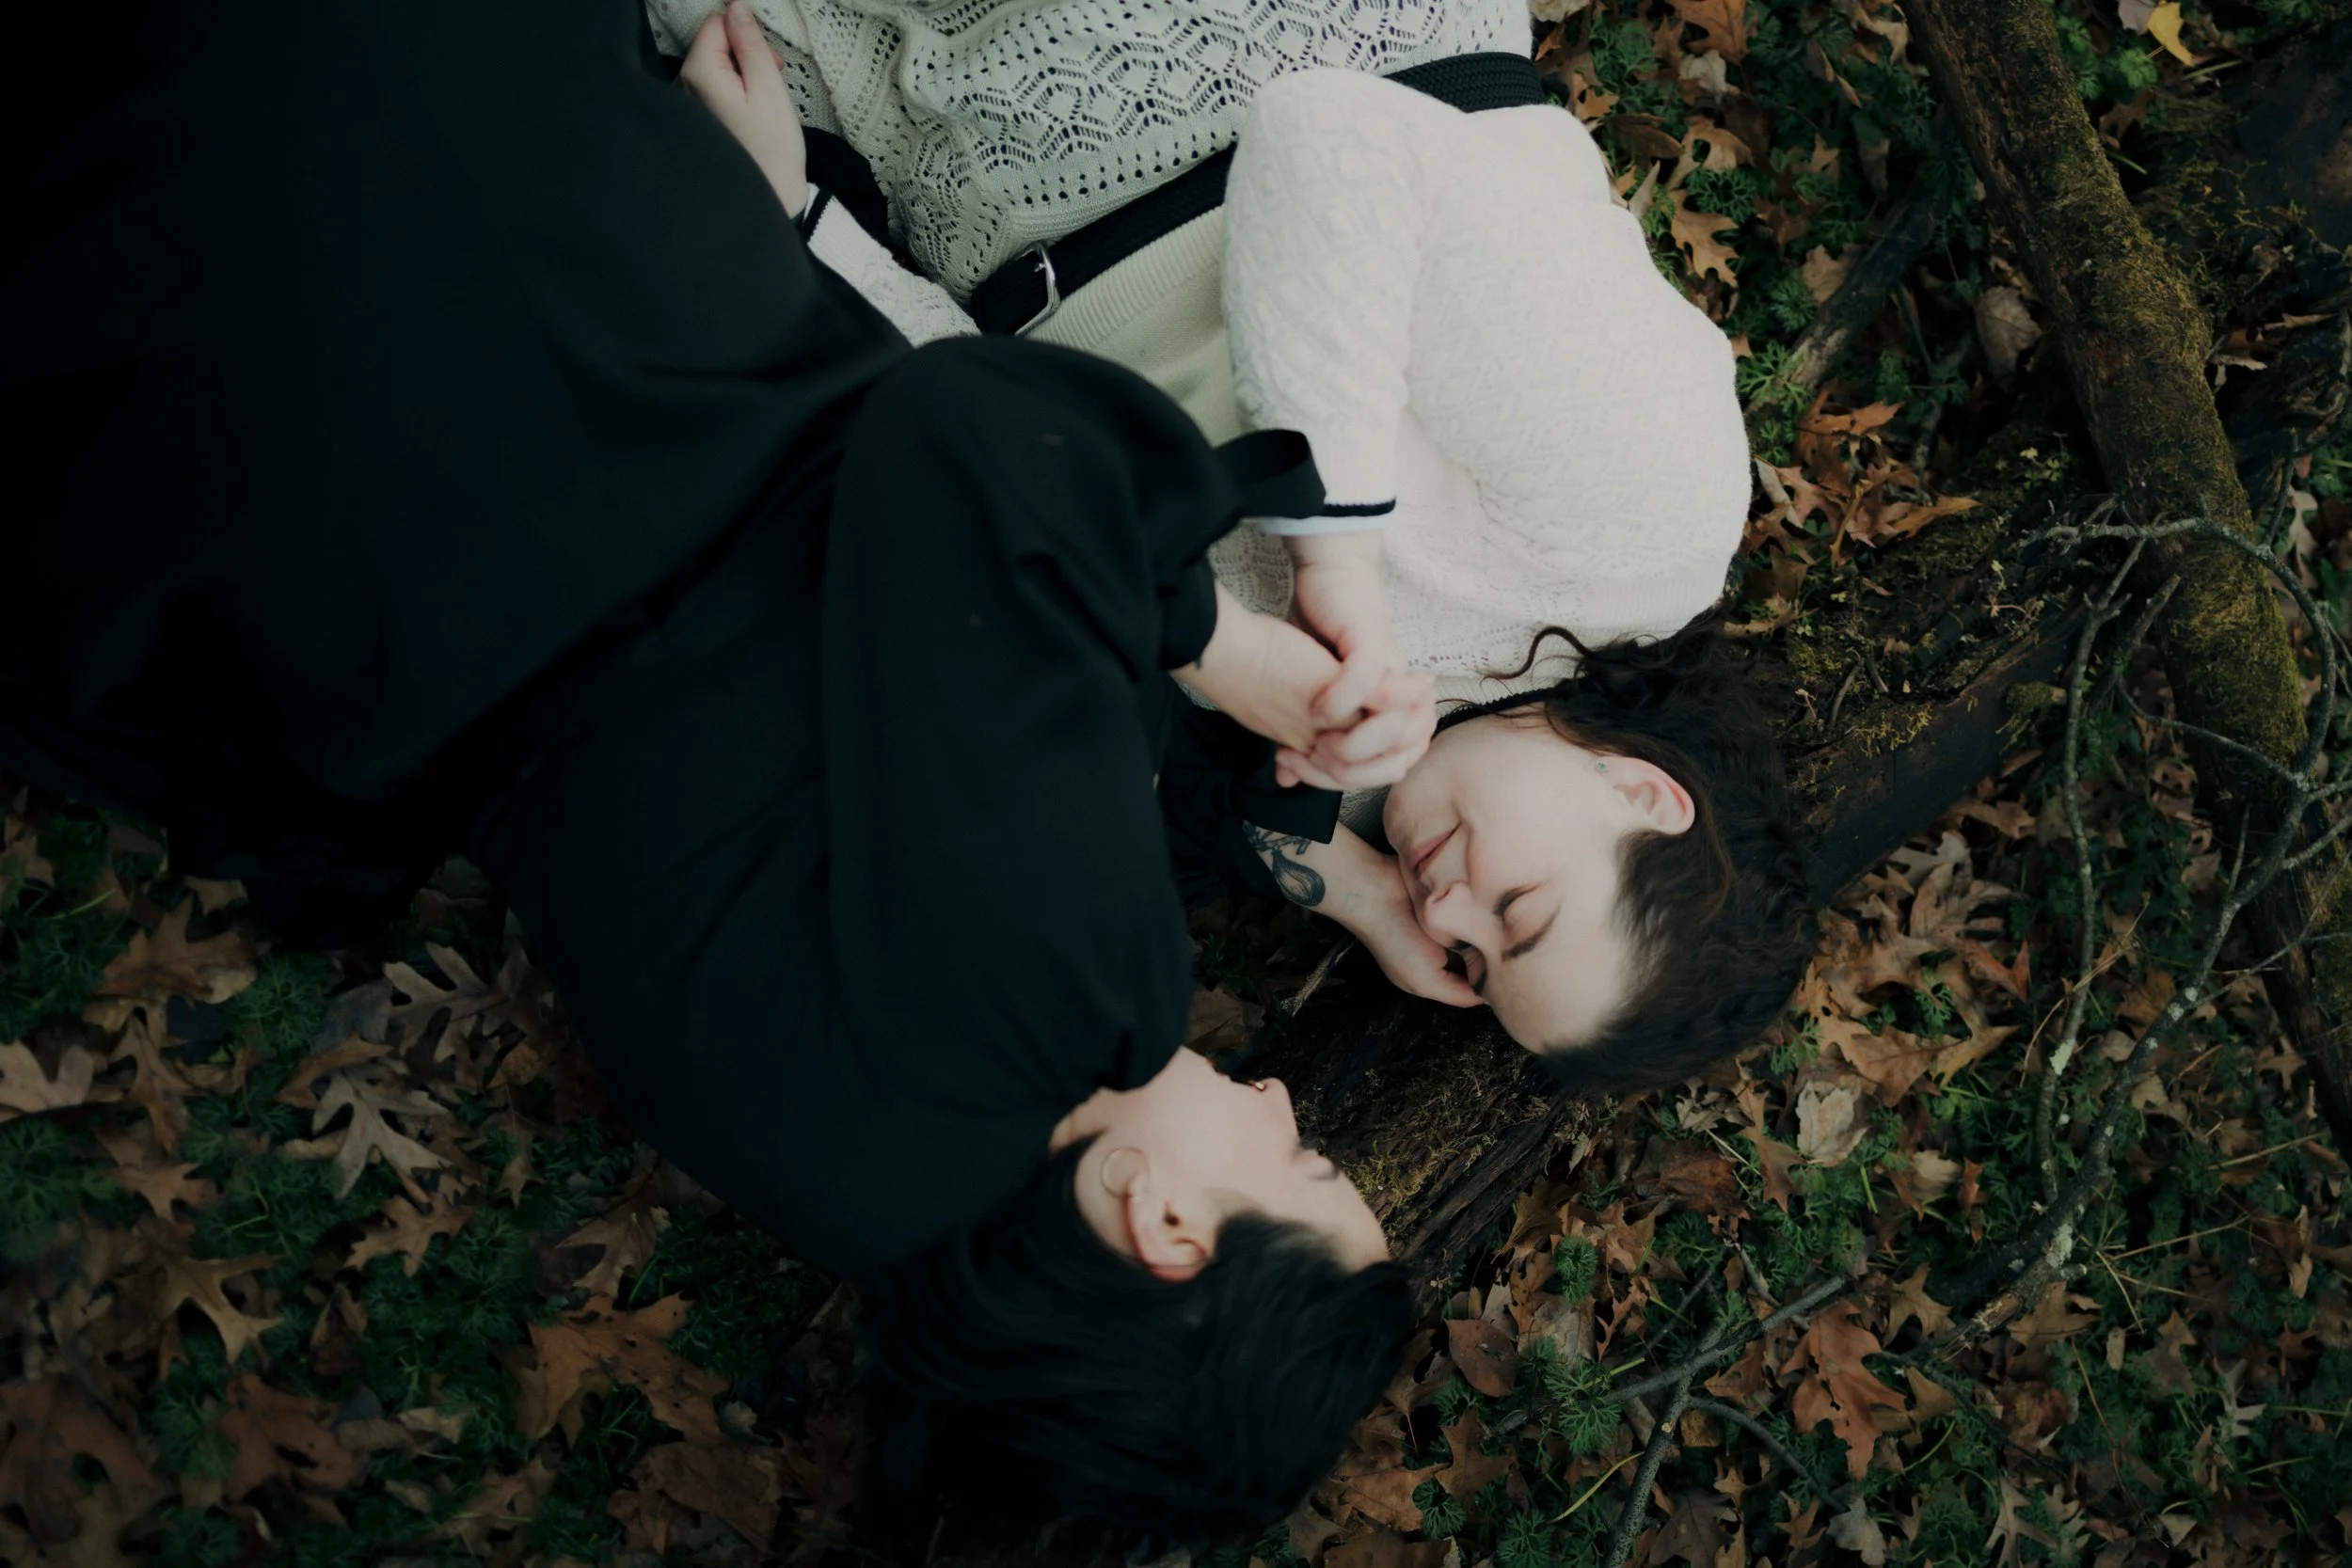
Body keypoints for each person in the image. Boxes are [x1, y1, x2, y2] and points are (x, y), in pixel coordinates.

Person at [2, 0, 1412, 1549]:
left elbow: (980, 447)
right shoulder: (846, 1190)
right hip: (363, 551)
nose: (1283, 1097)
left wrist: (1212, 636)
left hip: (549, 329)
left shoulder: (1080, 1008)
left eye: (1303, 1157)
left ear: (1164, 1231)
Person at [665, 0, 1820, 1088]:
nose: (1445, 916)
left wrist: (801, 214)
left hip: (916, 144)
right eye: (1516, 909)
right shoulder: (1645, 521)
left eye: (1468, 965)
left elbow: (1014, 456)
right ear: (1640, 788)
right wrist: (1336, 554)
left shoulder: (1349, 779)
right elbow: (1330, 141)